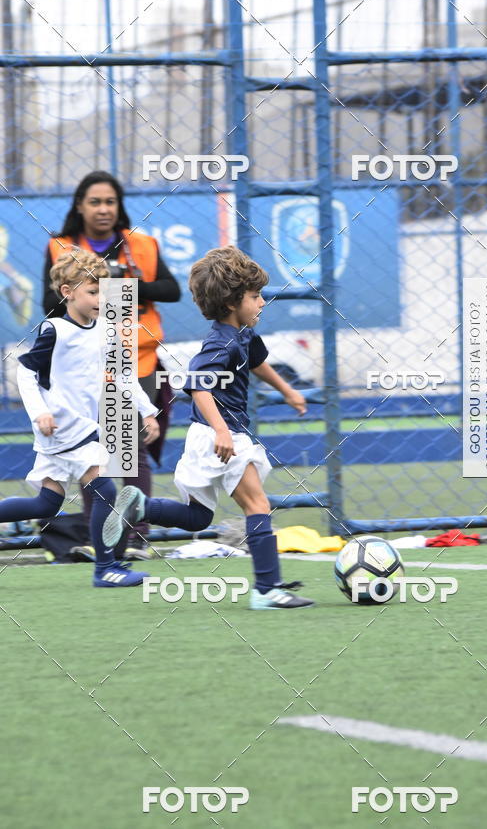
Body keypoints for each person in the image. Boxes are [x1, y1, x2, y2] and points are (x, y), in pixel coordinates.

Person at [104, 245, 314, 609]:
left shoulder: (244, 335)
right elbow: (198, 386)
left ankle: (140, 506)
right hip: (222, 435)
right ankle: (267, 590)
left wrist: (288, 390)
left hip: (205, 436)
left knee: (197, 517)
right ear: (233, 302)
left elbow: (259, 362)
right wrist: (221, 431)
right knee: (257, 504)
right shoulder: (221, 343)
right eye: (255, 296)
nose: (263, 302)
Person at [42, 171, 181, 557]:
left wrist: (124, 284)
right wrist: (92, 294)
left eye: (110, 202)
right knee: (93, 451)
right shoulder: (61, 247)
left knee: (130, 448)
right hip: (84, 364)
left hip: (135, 359)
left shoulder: (140, 245)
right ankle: (98, 538)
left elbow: (171, 290)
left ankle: (135, 537)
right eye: (95, 202)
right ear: (80, 207)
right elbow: (46, 304)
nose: (104, 209)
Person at [1, 250, 160, 586]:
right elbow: (27, 373)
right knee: (103, 486)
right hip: (64, 425)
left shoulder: (106, 328)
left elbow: (123, 374)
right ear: (67, 292)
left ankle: (107, 568)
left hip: (75, 428)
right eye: (92, 291)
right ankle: (106, 570)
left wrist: (147, 410)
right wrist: (41, 412)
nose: (101, 299)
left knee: (46, 503)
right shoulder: (54, 329)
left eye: (104, 291)